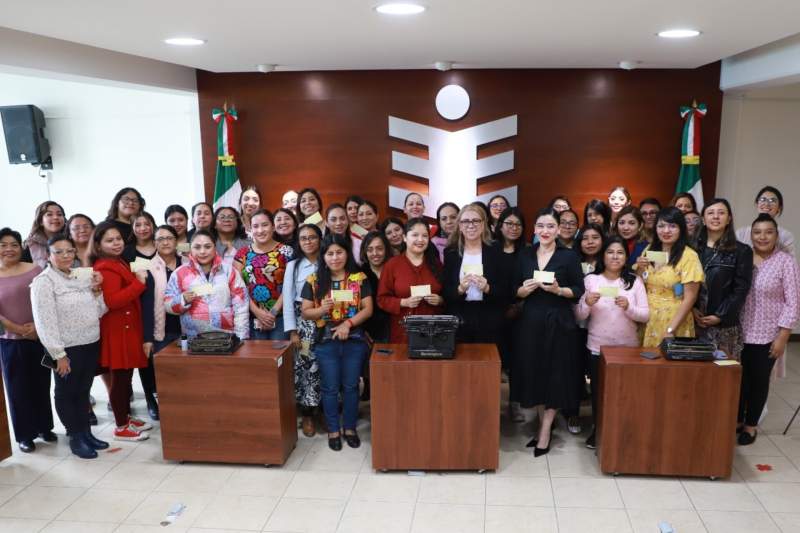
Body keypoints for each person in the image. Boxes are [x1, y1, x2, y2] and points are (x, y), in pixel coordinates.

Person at [512, 208, 584, 457]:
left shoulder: (569, 256)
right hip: (531, 322)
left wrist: (558, 290)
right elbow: (514, 290)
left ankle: (544, 433)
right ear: (534, 229)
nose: (545, 231)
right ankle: (545, 424)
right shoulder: (525, 254)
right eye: (541, 226)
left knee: (554, 375)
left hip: (559, 321)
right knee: (536, 374)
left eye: (550, 226)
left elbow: (578, 290)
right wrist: (523, 290)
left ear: (558, 230)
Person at [31, 234, 109, 459]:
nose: (65, 256)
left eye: (69, 251)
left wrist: (96, 291)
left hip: (90, 342)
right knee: (67, 392)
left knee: (83, 391)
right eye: (58, 252)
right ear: (48, 255)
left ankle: (86, 432)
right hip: (67, 349)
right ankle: (75, 436)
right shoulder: (43, 282)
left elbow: (99, 311)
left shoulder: (80, 276)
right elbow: (44, 322)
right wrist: (59, 355)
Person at [575, 236, 649, 448]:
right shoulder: (591, 280)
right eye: (610, 252)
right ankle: (598, 430)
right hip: (598, 348)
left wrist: (629, 307)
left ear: (626, 257)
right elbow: (578, 316)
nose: (615, 256)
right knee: (599, 393)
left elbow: (644, 316)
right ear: (602, 256)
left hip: (628, 349)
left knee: (625, 394)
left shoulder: (634, 281)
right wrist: (587, 303)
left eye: (620, 252)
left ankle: (623, 432)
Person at [301, 234, 373, 451]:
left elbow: (368, 309)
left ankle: (349, 428)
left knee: (351, 387)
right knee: (330, 388)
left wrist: (347, 324)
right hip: (325, 342)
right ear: (323, 256)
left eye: (339, 252)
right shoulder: (314, 281)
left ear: (347, 253)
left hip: (354, 340)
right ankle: (334, 429)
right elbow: (305, 312)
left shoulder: (359, 278)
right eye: (330, 253)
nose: (335, 257)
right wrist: (321, 310)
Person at [738, 214, 800, 445]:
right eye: (757, 232)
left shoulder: (785, 262)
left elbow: (793, 302)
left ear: (776, 235)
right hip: (738, 331)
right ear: (750, 235)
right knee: (739, 381)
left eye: (768, 232)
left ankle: (750, 425)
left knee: (758, 380)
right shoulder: (742, 258)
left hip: (767, 335)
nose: (762, 237)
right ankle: (735, 420)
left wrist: (783, 336)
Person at [92, 221, 152, 442]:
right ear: (98, 244)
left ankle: (125, 417)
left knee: (126, 378)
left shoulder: (118, 262)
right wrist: (138, 284)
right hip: (117, 330)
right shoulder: (104, 268)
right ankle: (121, 426)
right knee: (120, 380)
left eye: (118, 239)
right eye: (109, 240)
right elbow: (111, 301)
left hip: (127, 329)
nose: (116, 243)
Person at [0, 228, 55, 453]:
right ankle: (25, 434)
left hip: (38, 336)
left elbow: (46, 300)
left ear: (21, 246)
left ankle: (44, 427)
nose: (9, 249)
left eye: (13, 244)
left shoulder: (34, 270)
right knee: (17, 389)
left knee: (41, 384)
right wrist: (17, 329)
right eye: (3, 245)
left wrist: (36, 327)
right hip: (10, 341)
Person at [693, 199, 752, 361]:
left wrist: (720, 315)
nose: (716, 217)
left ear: (729, 218)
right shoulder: (691, 248)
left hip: (724, 326)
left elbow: (741, 289)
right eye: (711, 213)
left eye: (721, 213)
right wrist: (692, 308)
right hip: (693, 323)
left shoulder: (742, 251)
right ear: (703, 219)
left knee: (724, 378)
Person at [636, 207, 704, 348]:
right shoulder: (649, 249)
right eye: (661, 226)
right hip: (647, 318)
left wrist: (670, 329)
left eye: (672, 226)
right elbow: (640, 284)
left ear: (681, 229)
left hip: (674, 320)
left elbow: (690, 298)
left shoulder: (689, 256)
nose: (666, 231)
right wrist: (640, 268)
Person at [165, 230, 249, 339]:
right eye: (197, 247)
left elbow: (241, 306)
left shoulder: (229, 271)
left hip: (226, 339)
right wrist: (182, 300)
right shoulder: (180, 273)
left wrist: (241, 337)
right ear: (190, 249)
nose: (202, 251)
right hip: (193, 340)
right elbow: (167, 304)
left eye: (207, 246)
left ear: (215, 248)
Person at [442, 204, 508, 343]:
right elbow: (445, 291)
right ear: (459, 225)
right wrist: (459, 290)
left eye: (476, 220)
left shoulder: (496, 250)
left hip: (490, 318)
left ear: (483, 224)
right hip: (461, 318)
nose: (470, 225)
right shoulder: (451, 253)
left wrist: (488, 288)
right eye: (465, 221)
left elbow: (506, 290)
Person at [139, 225, 183, 421]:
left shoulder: (188, 262)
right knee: (162, 375)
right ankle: (162, 409)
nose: (165, 242)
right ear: (154, 243)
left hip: (186, 328)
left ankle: (182, 409)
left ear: (176, 241)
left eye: (169, 238)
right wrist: (146, 337)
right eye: (160, 239)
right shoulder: (146, 267)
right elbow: (146, 305)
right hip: (161, 331)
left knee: (184, 375)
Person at [283, 224, 323, 436]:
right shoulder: (294, 266)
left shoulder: (329, 260)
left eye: (312, 237)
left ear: (320, 239)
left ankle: (325, 410)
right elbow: (288, 299)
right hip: (303, 323)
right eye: (303, 238)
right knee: (306, 369)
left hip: (327, 319)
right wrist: (292, 331)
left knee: (326, 367)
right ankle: (308, 414)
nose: (308, 241)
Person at [378, 218, 444, 343]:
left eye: (425, 235)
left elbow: (447, 294)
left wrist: (440, 300)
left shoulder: (436, 264)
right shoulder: (392, 265)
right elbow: (382, 299)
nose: (420, 240)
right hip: (403, 331)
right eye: (415, 235)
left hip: (433, 330)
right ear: (404, 237)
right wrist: (404, 302)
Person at [234, 209, 294, 340]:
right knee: (257, 358)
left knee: (279, 358)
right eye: (255, 226)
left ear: (273, 227)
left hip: (281, 317)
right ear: (250, 229)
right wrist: (257, 312)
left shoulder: (287, 251)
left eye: (265, 225)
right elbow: (238, 288)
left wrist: (272, 313)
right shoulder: (242, 253)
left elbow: (290, 286)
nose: (260, 230)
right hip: (251, 317)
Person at [493, 207, 527, 420]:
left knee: (516, 361)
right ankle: (490, 402)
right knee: (494, 359)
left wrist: (519, 306)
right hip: (494, 311)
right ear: (500, 225)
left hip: (519, 313)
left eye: (518, 225)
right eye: (509, 224)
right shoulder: (490, 249)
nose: (513, 228)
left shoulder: (528, 252)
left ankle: (514, 405)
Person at [735, 186, 795, 256]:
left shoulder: (786, 236)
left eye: (772, 201)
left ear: (779, 208)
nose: (767, 204)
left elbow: (790, 263)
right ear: (756, 204)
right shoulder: (741, 233)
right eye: (763, 199)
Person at [360, 231, 391, 344]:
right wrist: (361, 331)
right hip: (369, 333)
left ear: (386, 249)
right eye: (370, 249)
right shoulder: (359, 274)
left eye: (379, 248)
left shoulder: (395, 269)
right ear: (364, 252)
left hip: (396, 329)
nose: (375, 253)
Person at [22, 201, 66, 267]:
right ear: (40, 221)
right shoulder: (29, 245)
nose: (55, 217)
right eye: (49, 214)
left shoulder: (72, 240)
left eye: (59, 214)